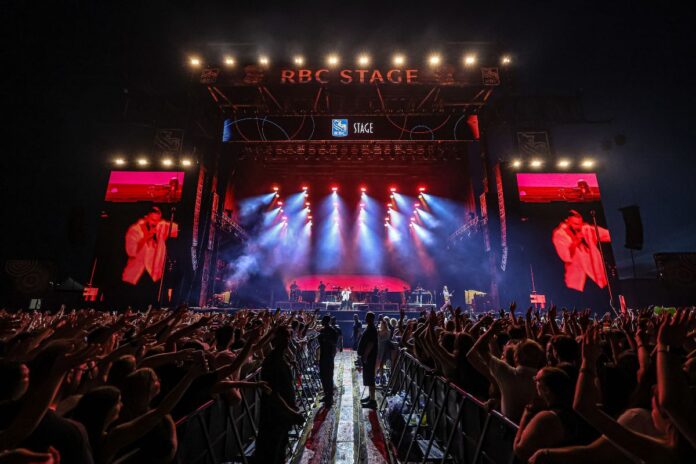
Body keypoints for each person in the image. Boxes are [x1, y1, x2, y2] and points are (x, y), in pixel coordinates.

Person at [254, 327, 304, 464]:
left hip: (282, 416)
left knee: (280, 451)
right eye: (283, 337)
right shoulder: (272, 362)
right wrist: (291, 412)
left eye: (288, 336)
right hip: (274, 416)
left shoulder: (282, 358)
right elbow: (273, 393)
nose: (287, 340)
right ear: (275, 340)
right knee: (271, 453)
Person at [551, 210, 611, 292]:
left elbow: (608, 235)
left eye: (580, 223)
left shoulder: (586, 229)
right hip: (578, 279)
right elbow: (566, 256)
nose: (579, 227)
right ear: (567, 221)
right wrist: (576, 240)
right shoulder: (559, 234)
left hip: (595, 276)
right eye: (575, 224)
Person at [122, 206, 178, 287]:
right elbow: (131, 252)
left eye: (157, 220)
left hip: (153, 276)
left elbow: (178, 228)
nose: (155, 223)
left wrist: (164, 224)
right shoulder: (134, 230)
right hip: (135, 277)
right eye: (153, 220)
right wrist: (146, 236)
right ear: (146, 218)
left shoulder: (160, 228)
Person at [317, 315, 340, 408]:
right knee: (323, 376)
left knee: (329, 376)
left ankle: (329, 397)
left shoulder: (333, 331)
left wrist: (326, 338)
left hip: (329, 356)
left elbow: (334, 343)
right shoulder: (322, 331)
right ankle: (326, 394)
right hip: (323, 355)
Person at [357, 312, 378, 409]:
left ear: (371, 318)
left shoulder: (372, 329)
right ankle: (370, 396)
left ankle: (373, 401)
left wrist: (365, 355)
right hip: (368, 357)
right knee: (368, 377)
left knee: (370, 378)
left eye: (367, 317)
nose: (365, 318)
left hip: (370, 357)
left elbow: (371, 343)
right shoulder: (369, 328)